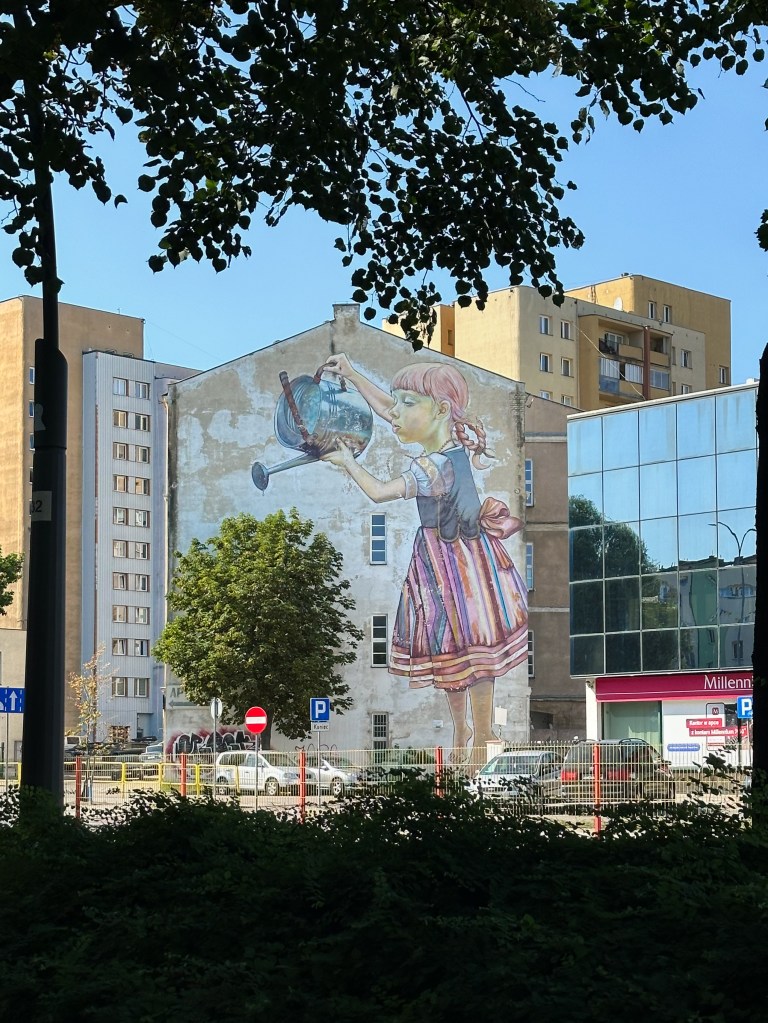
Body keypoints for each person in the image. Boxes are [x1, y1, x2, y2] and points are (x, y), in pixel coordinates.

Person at [321, 354, 528, 760]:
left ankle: (481, 734)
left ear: (441, 410)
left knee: (472, 645)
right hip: (449, 561)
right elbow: (388, 409)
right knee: (451, 645)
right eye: (398, 402)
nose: (395, 413)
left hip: (458, 564)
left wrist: (347, 462)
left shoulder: (432, 468)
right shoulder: (448, 448)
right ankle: (462, 729)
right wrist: (353, 373)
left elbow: (379, 492)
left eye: (408, 403)